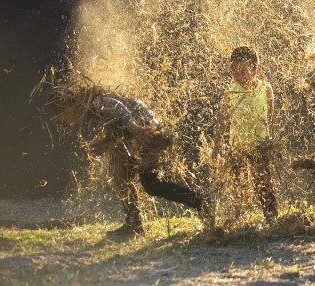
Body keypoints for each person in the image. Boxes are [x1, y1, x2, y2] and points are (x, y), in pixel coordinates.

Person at [49, 85, 202, 238]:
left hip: (149, 133)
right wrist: (107, 143)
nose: (64, 121)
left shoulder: (92, 101)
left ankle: (200, 201)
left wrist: (136, 129)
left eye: (61, 116)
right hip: (144, 134)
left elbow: (115, 105)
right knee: (122, 175)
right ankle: (133, 224)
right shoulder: (88, 107)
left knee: (152, 185)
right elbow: (117, 126)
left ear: (66, 106)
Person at [215, 45, 278, 226]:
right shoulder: (230, 92)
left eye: (243, 69)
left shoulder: (266, 89)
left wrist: (268, 139)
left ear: (257, 69)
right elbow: (222, 120)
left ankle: (271, 218)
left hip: (260, 145)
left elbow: (270, 116)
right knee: (239, 183)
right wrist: (217, 144)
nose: (239, 73)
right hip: (238, 146)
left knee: (264, 181)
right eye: (234, 69)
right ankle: (239, 217)